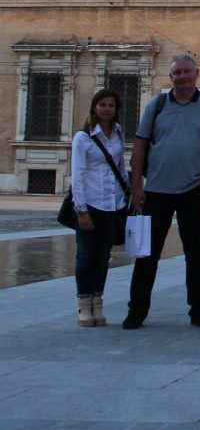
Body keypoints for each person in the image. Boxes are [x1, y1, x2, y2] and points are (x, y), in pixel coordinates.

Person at [122, 55, 200, 329]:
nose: (182, 76)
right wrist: (137, 186)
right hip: (155, 190)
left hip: (193, 190)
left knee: (196, 254)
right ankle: (137, 311)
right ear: (171, 77)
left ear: (197, 73)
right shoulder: (156, 105)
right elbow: (140, 146)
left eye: (186, 72)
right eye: (177, 72)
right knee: (147, 255)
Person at [71, 88, 130, 327]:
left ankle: (98, 302)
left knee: (103, 257)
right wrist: (81, 210)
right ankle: (84, 305)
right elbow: (77, 175)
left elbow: (120, 166)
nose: (107, 109)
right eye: (103, 104)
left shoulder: (118, 133)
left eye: (111, 105)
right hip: (91, 202)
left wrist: (130, 190)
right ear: (94, 107)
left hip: (112, 204)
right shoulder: (82, 138)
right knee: (85, 256)